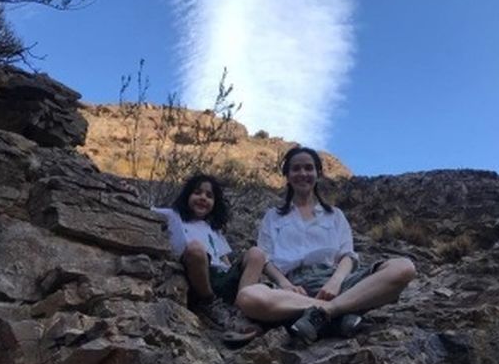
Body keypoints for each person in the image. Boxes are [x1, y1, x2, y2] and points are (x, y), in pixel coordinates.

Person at [234, 146, 417, 343]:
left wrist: (336, 282)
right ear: (287, 175)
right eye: (295, 169)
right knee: (247, 296)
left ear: (318, 173)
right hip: (294, 289)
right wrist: (285, 285)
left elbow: (348, 255)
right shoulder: (274, 216)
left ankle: (328, 311)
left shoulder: (334, 215)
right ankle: (340, 314)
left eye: (308, 168)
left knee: (403, 267)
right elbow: (266, 258)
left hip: (334, 281)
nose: (302, 173)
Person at [153, 173, 268, 313]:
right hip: (197, 274)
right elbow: (144, 211)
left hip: (219, 277)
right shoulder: (172, 216)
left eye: (209, 196)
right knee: (195, 248)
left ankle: (242, 306)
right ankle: (209, 303)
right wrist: (127, 190)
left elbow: (224, 260)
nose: (203, 198)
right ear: (187, 196)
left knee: (257, 253)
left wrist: (232, 276)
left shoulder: (213, 229)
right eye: (197, 193)